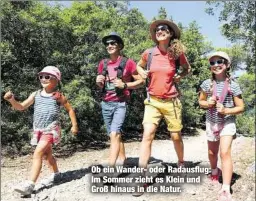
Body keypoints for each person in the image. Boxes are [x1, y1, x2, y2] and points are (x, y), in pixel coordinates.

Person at [135, 19, 191, 195]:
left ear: (170, 33)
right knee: (147, 135)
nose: (160, 31)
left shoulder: (176, 53)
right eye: (158, 29)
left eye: (164, 29)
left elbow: (187, 69)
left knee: (175, 136)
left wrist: (180, 76)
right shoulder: (149, 53)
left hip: (172, 101)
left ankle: (181, 162)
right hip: (152, 101)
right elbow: (138, 65)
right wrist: (140, 71)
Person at [4, 66, 78, 195]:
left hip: (51, 129)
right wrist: (11, 100)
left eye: (47, 76)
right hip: (39, 129)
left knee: (38, 153)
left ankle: (29, 185)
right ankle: (57, 174)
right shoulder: (35, 94)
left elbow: (70, 109)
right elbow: (21, 107)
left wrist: (74, 125)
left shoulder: (58, 96)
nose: (43, 79)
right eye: (41, 76)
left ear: (56, 79)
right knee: (47, 155)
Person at [198, 51, 244, 201]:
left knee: (224, 153)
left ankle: (225, 188)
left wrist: (226, 110)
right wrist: (207, 103)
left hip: (227, 122)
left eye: (219, 62)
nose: (216, 65)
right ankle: (214, 170)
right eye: (212, 63)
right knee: (212, 153)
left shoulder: (233, 85)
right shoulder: (206, 84)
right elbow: (201, 102)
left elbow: (241, 107)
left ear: (227, 65)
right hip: (211, 122)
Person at [96, 32, 144, 167]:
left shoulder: (128, 63)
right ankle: (124, 160)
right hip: (105, 103)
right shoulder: (103, 63)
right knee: (114, 135)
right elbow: (101, 84)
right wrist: (98, 81)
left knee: (115, 134)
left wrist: (125, 85)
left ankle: (110, 168)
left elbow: (141, 81)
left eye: (113, 43)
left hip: (120, 104)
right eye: (107, 44)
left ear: (120, 46)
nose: (109, 45)